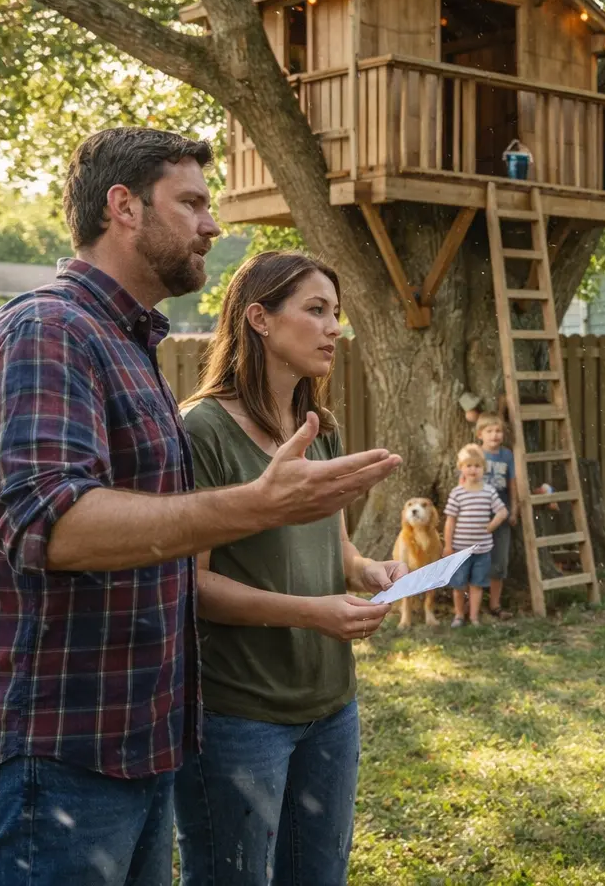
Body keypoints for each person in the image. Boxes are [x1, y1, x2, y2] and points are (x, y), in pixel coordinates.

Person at [0, 128, 402, 886]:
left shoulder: (127, 344)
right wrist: (256, 506)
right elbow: (50, 524)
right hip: (62, 746)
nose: (213, 225)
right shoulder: (46, 330)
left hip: (144, 734)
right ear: (124, 207)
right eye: (191, 203)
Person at [172, 250, 407, 885]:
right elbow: (189, 585)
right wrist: (313, 614)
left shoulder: (317, 427)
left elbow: (335, 548)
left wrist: (366, 572)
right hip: (239, 715)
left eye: (338, 313)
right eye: (316, 310)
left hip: (332, 706)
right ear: (260, 319)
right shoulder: (202, 431)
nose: (335, 328)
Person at [444, 443, 508, 627]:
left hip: (482, 550)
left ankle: (474, 617)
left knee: (477, 585)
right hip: (460, 551)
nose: (473, 470)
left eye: (477, 466)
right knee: (458, 586)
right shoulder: (457, 493)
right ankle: (458, 615)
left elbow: (502, 512)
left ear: (484, 469)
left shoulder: (488, 491)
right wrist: (448, 546)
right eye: (469, 465)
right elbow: (450, 521)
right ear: (461, 468)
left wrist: (491, 526)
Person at [476, 412, 520, 619]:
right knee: (475, 560)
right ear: (480, 434)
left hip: (501, 515)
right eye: (490, 431)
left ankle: (495, 605)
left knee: (499, 561)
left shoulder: (507, 455)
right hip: (477, 516)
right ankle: (471, 606)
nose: (495, 435)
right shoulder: (474, 454)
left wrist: (514, 509)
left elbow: (512, 484)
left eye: (498, 431)